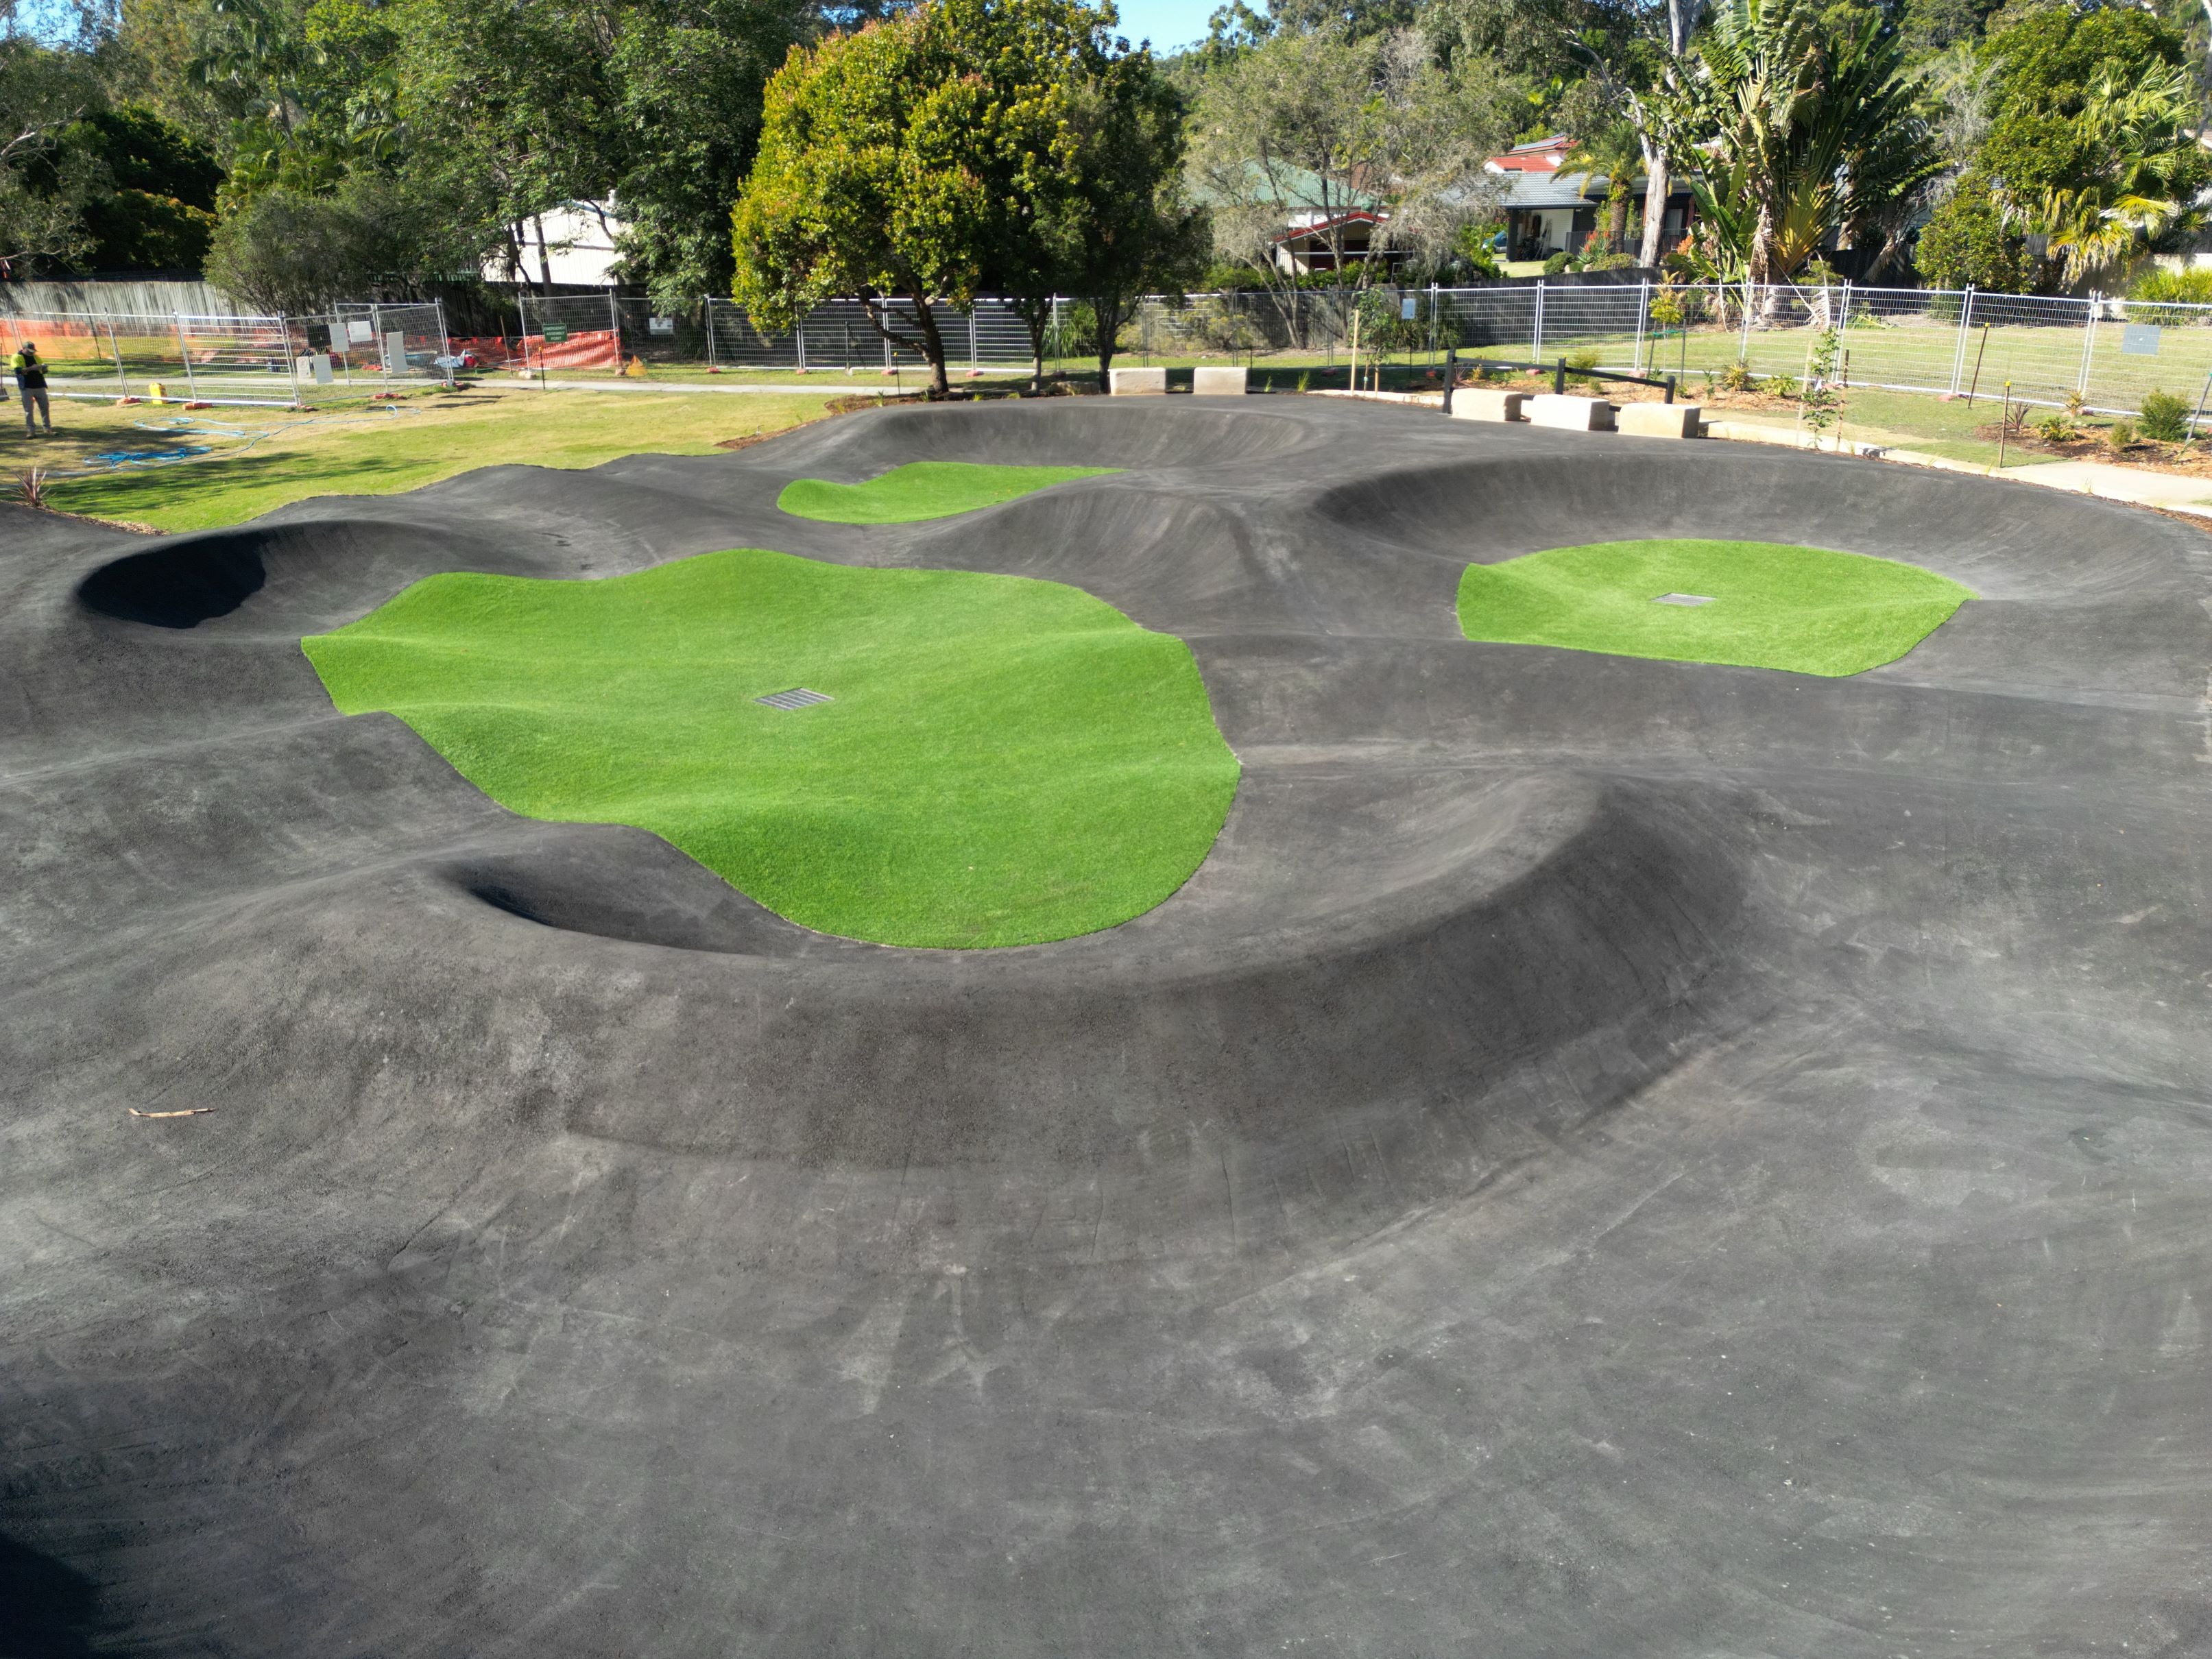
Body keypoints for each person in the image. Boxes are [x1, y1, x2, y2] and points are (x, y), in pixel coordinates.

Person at [11, 341, 51, 435]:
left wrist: (44, 368)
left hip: (40, 385)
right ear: (24, 349)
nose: (32, 353)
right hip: (27, 387)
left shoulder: (36, 357)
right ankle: (31, 431)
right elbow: (18, 371)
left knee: (45, 408)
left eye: (33, 351)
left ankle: (47, 429)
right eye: (29, 351)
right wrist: (31, 368)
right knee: (29, 410)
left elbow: (44, 371)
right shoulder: (17, 357)